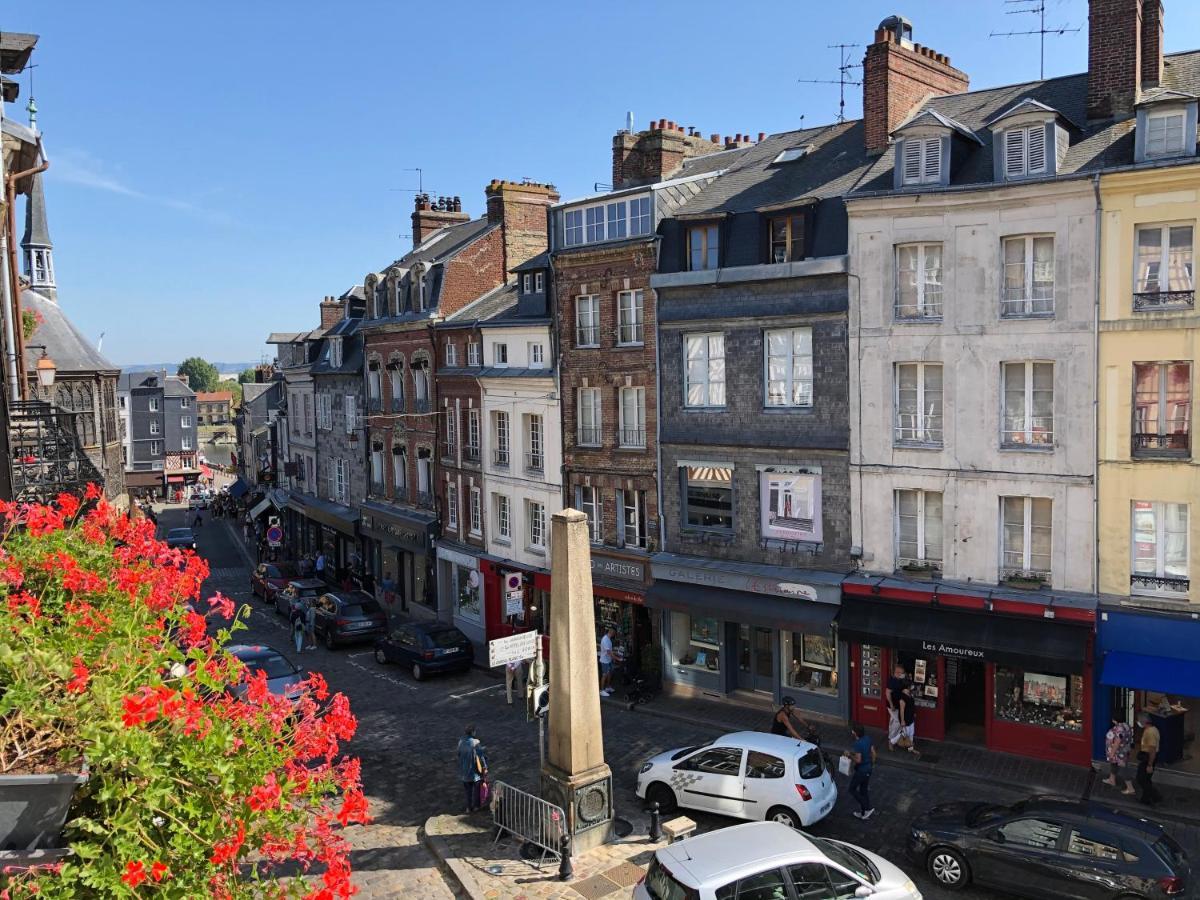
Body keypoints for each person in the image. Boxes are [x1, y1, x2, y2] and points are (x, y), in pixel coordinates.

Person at [844, 723, 876, 820]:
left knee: (852, 789)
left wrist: (849, 755)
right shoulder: (867, 738)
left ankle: (867, 808)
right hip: (868, 769)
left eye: (853, 730)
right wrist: (872, 764)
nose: (852, 732)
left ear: (855, 733)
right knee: (863, 790)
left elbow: (858, 760)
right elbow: (873, 753)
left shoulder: (857, 744)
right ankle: (864, 813)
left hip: (861, 770)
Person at [1104, 715, 1136, 796]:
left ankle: (1130, 788)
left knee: (1123, 770)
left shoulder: (1119, 729)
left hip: (1119, 753)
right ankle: (1112, 779)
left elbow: (1117, 742)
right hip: (1123, 751)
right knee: (1113, 764)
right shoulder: (1126, 725)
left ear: (1114, 720)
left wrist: (1112, 753)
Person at [1136, 712, 1163, 806]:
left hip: (1148, 758)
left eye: (1139, 721)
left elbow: (1152, 750)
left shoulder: (1150, 733)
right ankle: (1147, 798)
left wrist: (1149, 765)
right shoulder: (1152, 729)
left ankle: (1154, 796)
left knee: (1141, 779)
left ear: (1144, 722)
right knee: (1146, 779)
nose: (1138, 722)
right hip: (1148, 757)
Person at [457, 725, 484, 813]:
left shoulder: (460, 742)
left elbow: (459, 754)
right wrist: (485, 767)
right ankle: (476, 806)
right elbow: (480, 756)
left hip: (464, 771)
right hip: (474, 771)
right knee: (476, 790)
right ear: (472, 732)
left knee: (468, 791)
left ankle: (468, 808)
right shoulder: (475, 742)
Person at [885, 664, 907, 751]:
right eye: (902, 673)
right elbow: (887, 693)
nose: (903, 674)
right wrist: (891, 705)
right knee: (898, 722)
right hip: (893, 706)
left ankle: (895, 738)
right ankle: (891, 740)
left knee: (893, 721)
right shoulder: (892, 681)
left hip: (898, 705)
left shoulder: (899, 679)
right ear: (897, 673)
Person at [898, 683, 920, 756]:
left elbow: (911, 705)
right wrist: (902, 720)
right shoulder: (902, 698)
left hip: (910, 717)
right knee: (905, 734)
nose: (910, 688)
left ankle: (910, 748)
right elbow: (902, 710)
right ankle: (891, 742)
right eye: (909, 687)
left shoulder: (909, 695)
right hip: (906, 718)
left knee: (910, 733)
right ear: (904, 689)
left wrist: (913, 713)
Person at [599, 627, 616, 697]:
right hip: (604, 660)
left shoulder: (608, 639)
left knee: (610, 673)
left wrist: (613, 657)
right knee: (604, 674)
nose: (614, 635)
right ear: (611, 632)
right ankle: (602, 690)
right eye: (614, 633)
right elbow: (608, 652)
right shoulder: (605, 639)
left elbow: (610, 650)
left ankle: (608, 687)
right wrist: (616, 657)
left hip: (608, 660)